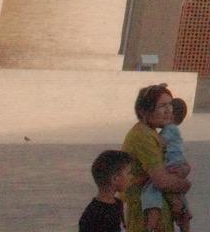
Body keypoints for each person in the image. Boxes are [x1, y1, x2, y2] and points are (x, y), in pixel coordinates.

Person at [123, 85, 188, 232]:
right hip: (145, 213)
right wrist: (185, 184)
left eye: (170, 105)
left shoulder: (151, 132)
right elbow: (162, 181)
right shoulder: (143, 136)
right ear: (145, 110)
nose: (169, 110)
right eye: (162, 106)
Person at [142, 96, 193, 232]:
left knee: (151, 191)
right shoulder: (173, 129)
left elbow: (159, 143)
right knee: (176, 194)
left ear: (171, 115)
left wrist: (148, 133)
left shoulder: (170, 129)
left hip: (171, 165)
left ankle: (151, 224)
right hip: (176, 164)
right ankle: (183, 217)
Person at [82, 150, 136, 232]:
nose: (132, 177)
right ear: (115, 179)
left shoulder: (118, 203)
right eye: (129, 173)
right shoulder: (94, 215)